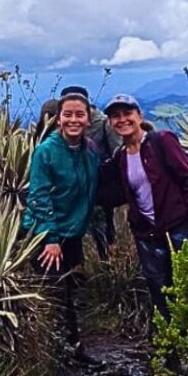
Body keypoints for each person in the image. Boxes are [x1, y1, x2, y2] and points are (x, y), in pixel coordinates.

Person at [101, 94, 188, 321]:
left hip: (179, 226)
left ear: (139, 116)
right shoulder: (120, 157)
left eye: (127, 113)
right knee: (160, 291)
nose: (122, 120)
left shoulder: (162, 141)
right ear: (110, 123)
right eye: (115, 116)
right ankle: (171, 344)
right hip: (147, 234)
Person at [23, 89, 101, 364]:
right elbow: (39, 196)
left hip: (71, 235)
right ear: (58, 119)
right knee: (55, 297)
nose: (73, 120)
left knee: (68, 294)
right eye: (67, 114)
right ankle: (55, 363)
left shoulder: (89, 152)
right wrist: (51, 238)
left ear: (89, 119)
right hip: (47, 236)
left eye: (79, 115)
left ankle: (74, 351)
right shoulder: (46, 151)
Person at [61, 85, 123, 259]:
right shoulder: (61, 124)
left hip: (99, 189)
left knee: (103, 231)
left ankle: (109, 268)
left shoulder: (103, 123)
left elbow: (118, 152)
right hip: (71, 191)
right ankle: (79, 271)